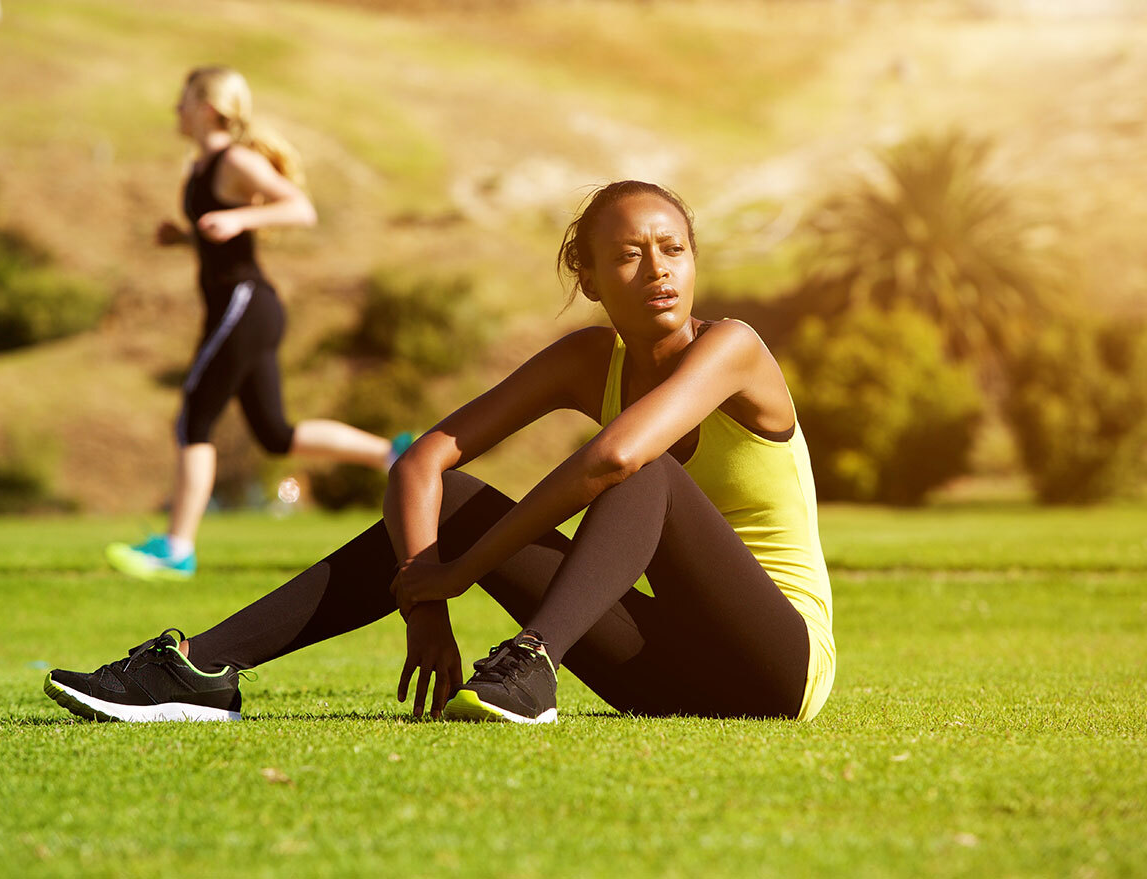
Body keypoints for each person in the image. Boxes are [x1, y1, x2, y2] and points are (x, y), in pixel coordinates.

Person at [48, 180, 835, 724]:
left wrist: (463, 572)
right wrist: (424, 600)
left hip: (778, 666)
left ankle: (531, 665)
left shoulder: (735, 347)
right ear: (587, 275)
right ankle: (198, 668)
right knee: (453, 503)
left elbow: (615, 460)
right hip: (667, 670)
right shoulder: (586, 360)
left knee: (642, 466)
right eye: (629, 254)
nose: (658, 269)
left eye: (673, 249)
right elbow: (423, 461)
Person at [107, 66, 409, 582]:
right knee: (274, 434)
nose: (175, 110)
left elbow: (299, 208)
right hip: (242, 309)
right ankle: (392, 454)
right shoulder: (201, 167)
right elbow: (218, 234)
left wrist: (241, 219)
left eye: (183, 101)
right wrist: (184, 239)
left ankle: (176, 549)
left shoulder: (235, 161)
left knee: (194, 417)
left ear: (207, 108)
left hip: (246, 305)